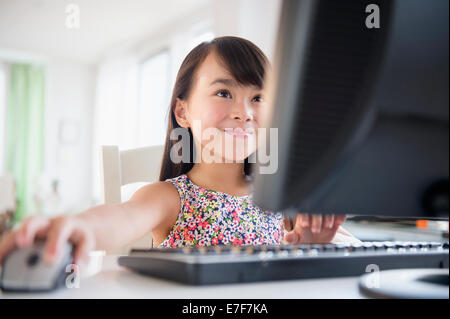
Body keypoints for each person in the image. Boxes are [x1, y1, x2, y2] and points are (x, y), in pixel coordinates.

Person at [0, 36, 360, 267]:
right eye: (224, 93)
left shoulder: (284, 203)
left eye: (258, 98)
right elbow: (120, 219)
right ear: (182, 111)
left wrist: (311, 248)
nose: (244, 112)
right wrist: (79, 227)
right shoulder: (169, 198)